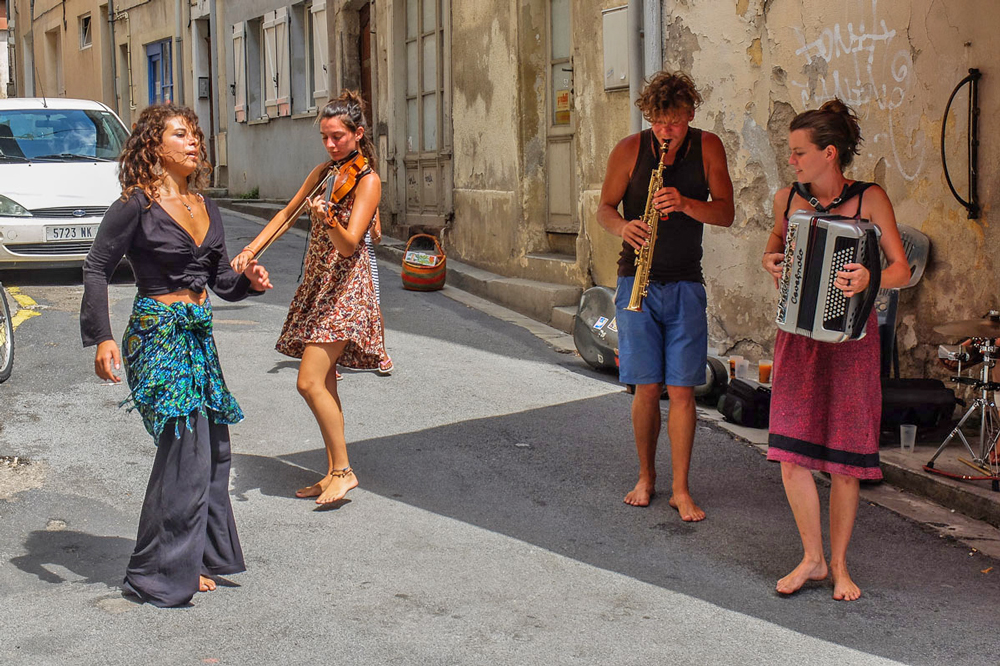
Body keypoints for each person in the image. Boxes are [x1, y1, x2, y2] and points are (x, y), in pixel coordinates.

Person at [80, 103, 272, 607]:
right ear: (154, 146)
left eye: (196, 136)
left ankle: (197, 558)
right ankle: (156, 573)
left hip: (197, 336)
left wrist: (247, 283)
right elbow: (97, 266)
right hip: (156, 335)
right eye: (180, 134)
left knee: (212, 448)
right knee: (185, 449)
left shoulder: (207, 206)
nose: (193, 143)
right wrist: (100, 336)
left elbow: (219, 282)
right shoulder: (137, 204)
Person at [761, 99, 909, 601]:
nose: (792, 161)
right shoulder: (788, 199)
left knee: (846, 458)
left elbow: (901, 271)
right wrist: (774, 264)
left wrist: (870, 278)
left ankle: (841, 565)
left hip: (852, 343)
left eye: (800, 153)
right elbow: (771, 249)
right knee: (791, 452)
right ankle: (813, 559)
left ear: (829, 153)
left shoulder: (870, 200)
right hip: (798, 340)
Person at [232, 90, 385, 505]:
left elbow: (350, 244)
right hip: (320, 285)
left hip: (346, 289)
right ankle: (336, 469)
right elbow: (285, 214)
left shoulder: (368, 180)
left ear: (358, 134)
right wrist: (252, 248)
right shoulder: (324, 173)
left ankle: (344, 472)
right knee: (326, 381)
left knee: (308, 380)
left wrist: (329, 220)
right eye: (325, 137)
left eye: (338, 136)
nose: (331, 144)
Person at [597, 71, 735, 520]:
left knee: (681, 391)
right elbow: (604, 208)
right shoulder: (629, 150)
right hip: (635, 279)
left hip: (685, 284)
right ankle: (645, 476)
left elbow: (727, 213)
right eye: (657, 122)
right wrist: (623, 226)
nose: (665, 132)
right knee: (645, 387)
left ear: (690, 115)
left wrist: (686, 203)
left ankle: (680, 488)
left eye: (674, 122)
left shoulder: (708, 146)